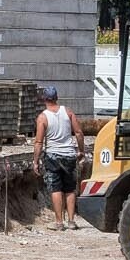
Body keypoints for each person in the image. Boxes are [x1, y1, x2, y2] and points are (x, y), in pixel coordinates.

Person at [34, 86, 82, 230]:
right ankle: (72, 221)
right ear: (56, 97)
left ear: (44, 99)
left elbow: (39, 142)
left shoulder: (43, 117)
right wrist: (81, 151)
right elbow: (79, 133)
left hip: (52, 156)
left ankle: (59, 222)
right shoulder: (68, 112)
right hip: (69, 155)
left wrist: (35, 161)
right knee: (70, 189)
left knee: (56, 189)